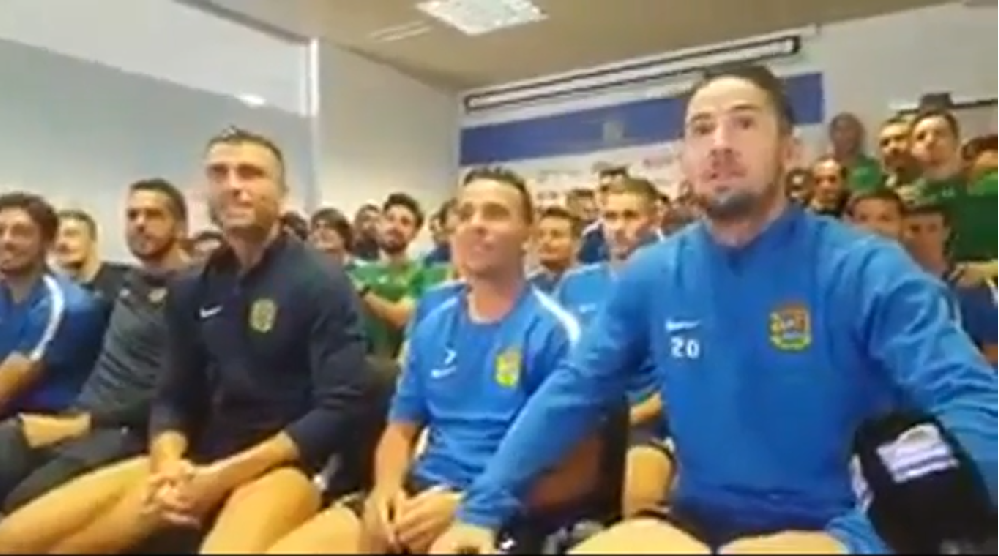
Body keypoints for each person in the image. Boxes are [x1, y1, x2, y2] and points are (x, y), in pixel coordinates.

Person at [430, 64, 998, 555]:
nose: (720, 143)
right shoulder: (654, 273)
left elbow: (977, 408)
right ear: (685, 157)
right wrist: (481, 509)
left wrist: (855, 541)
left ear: (790, 151)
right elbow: (574, 389)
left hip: (839, 523)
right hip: (697, 525)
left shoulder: (866, 269)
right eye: (701, 129)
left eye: (744, 123)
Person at [0, 128, 371, 553]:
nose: (233, 185)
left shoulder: (322, 281)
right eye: (219, 173)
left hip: (287, 465)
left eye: (250, 174)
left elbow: (338, 409)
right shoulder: (192, 285)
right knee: (15, 538)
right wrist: (168, 464)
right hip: (198, 455)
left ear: (282, 193)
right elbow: (174, 395)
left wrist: (220, 479)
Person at [266, 166, 592, 554]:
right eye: (465, 214)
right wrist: (386, 491)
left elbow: (581, 472)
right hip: (420, 493)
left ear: (528, 233)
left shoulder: (556, 332)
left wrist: (472, 508)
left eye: (495, 214)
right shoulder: (433, 324)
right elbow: (400, 431)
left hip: (506, 509)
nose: (476, 225)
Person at [0, 179, 190, 511]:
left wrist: (86, 422)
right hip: (73, 418)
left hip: (120, 429)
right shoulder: (128, 283)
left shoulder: (197, 290)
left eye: (153, 215)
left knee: (19, 505)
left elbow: (186, 388)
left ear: (181, 226)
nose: (140, 224)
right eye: (132, 215)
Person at [555, 177, 672, 518]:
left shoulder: (677, 280)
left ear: (654, 218)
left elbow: (687, 376)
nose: (619, 228)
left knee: (639, 495)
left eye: (630, 216)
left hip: (647, 423)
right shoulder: (574, 284)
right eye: (610, 217)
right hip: (581, 419)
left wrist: (626, 420)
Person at [0, 193, 104, 419]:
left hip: (46, 426)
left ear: (47, 243)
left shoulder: (67, 305)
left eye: (21, 232)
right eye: (0, 231)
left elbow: (5, 388)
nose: (6, 241)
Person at [905, 201, 998, 366]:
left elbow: (994, 350)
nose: (923, 238)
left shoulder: (970, 282)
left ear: (946, 233)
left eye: (932, 229)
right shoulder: (893, 284)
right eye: (915, 229)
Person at [351, 193, 434, 359]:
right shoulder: (358, 272)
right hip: (358, 364)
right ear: (380, 224)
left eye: (405, 222)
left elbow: (401, 317)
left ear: (415, 233)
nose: (395, 227)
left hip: (398, 367)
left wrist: (362, 291)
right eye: (390, 219)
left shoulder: (422, 274)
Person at [909, 108, 997, 265]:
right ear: (912, 149)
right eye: (921, 137)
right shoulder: (907, 200)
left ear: (957, 142)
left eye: (940, 134)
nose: (930, 141)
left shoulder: (990, 188)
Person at [53, 208, 131, 309]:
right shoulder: (54, 293)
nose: (61, 242)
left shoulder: (127, 281)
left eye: (71, 234)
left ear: (93, 239)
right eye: (54, 237)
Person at [529, 206, 580, 293]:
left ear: (577, 244)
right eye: (540, 235)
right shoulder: (528, 286)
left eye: (556, 235)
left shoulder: (589, 283)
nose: (545, 241)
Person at [828, 112, 882, 192]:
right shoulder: (822, 167)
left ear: (859, 135)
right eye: (839, 130)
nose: (845, 135)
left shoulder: (871, 167)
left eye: (849, 130)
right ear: (831, 135)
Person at [309, 206, 365, 272]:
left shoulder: (364, 269)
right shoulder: (309, 271)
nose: (321, 232)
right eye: (317, 227)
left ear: (344, 234)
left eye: (328, 227)